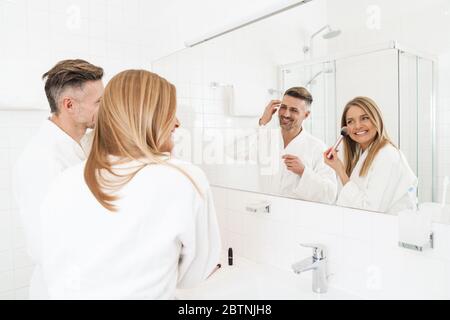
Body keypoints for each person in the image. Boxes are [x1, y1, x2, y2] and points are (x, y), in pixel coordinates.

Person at [38, 70, 221, 299]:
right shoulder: (183, 178)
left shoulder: (64, 181)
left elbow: (57, 262)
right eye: (169, 113)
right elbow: (194, 274)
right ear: (146, 117)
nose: (177, 122)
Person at [13, 59, 104, 299]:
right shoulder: (43, 160)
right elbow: (45, 245)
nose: (105, 108)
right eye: (98, 102)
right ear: (69, 105)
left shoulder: (78, 144)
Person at [324, 96, 418, 214]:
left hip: (391, 229)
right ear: (346, 129)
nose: (357, 126)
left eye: (364, 118)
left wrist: (341, 172)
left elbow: (369, 211)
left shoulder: (387, 156)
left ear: (376, 120)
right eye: (350, 121)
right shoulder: (363, 155)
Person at [256, 87, 337, 204]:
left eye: (294, 110)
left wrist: (304, 172)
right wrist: (262, 121)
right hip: (266, 214)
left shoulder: (317, 148)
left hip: (296, 218)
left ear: (306, 115)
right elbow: (233, 152)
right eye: (283, 107)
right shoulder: (266, 138)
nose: (286, 114)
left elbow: (330, 195)